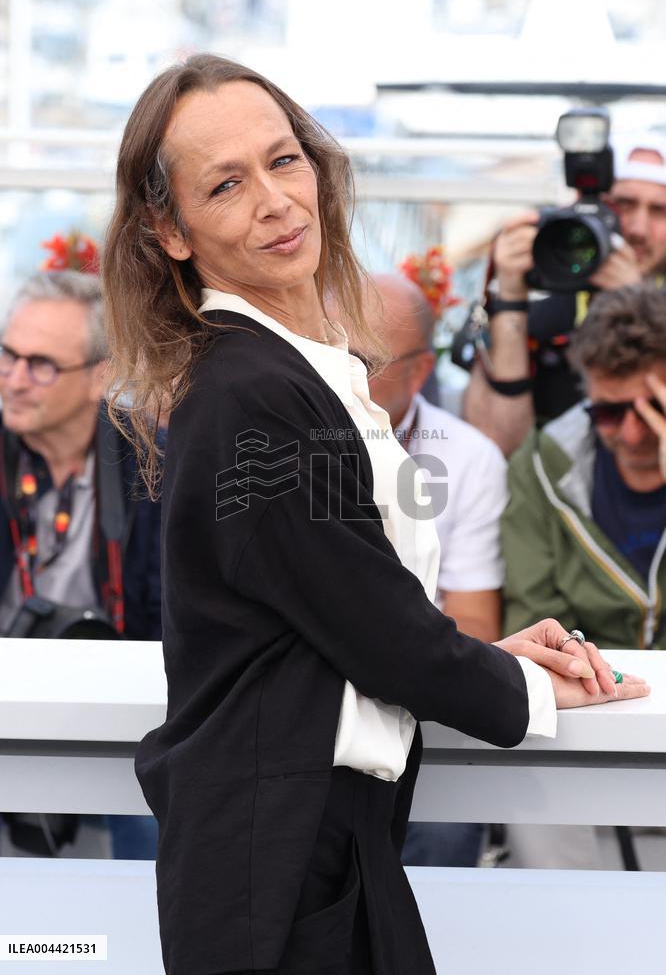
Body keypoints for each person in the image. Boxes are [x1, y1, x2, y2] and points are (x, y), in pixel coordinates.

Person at [102, 54, 648, 975]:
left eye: (284, 160)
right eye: (227, 184)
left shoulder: (276, 368)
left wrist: (483, 658)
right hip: (274, 856)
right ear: (171, 230)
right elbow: (370, 623)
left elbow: (338, 607)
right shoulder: (248, 391)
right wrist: (534, 689)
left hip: (304, 841)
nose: (276, 200)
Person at [500, 282, 666, 870]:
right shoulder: (545, 465)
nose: (634, 433)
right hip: (585, 712)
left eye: (652, 409)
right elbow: (533, 620)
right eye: (609, 412)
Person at [0, 269, 162, 860]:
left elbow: (177, 624)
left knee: (156, 832)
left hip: (122, 723)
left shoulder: (156, 469)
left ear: (101, 375)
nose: (15, 380)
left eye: (41, 365)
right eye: (8, 355)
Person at [358, 272, 507, 870]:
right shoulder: (283, 437)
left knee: (439, 857)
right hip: (314, 717)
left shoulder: (468, 458)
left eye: (366, 358)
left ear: (422, 371)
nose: (343, 368)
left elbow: (475, 624)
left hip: (429, 714)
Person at [464, 130, 666, 456]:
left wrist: (638, 305)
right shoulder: (542, 315)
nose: (638, 228)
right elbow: (498, 447)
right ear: (587, 207)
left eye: (660, 211)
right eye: (624, 204)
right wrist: (509, 296)